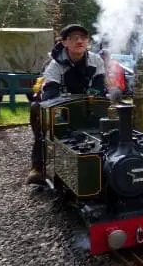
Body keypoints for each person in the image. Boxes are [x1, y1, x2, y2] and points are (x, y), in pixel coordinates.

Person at [26, 24, 106, 184]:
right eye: (74, 38)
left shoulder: (96, 60)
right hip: (62, 106)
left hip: (88, 103)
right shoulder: (54, 65)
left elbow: (99, 86)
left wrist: (96, 94)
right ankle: (38, 166)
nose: (79, 41)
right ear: (64, 42)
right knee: (37, 111)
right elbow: (50, 93)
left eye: (83, 37)